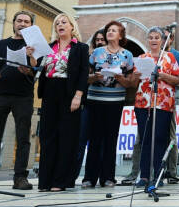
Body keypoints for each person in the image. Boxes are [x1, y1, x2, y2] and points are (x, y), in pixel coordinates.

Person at [0, 10, 38, 190]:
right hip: (0, 94)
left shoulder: (34, 46)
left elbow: (36, 69)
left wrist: (28, 63)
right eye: (19, 20)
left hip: (23, 96)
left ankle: (20, 178)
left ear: (31, 26)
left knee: (23, 138)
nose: (22, 24)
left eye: (26, 22)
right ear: (14, 23)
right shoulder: (1, 44)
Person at [37, 13, 89, 191]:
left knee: (67, 138)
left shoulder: (81, 48)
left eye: (64, 22)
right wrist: (31, 56)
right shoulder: (48, 47)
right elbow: (37, 68)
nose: (60, 25)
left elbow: (83, 73)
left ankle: (61, 181)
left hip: (69, 92)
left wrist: (78, 95)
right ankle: (45, 180)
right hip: (49, 91)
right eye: (57, 23)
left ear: (72, 26)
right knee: (47, 136)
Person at [83, 21, 135, 188]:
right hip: (95, 100)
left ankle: (108, 177)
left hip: (115, 101)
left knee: (111, 139)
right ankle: (89, 178)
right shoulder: (97, 52)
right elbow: (85, 77)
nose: (110, 33)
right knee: (95, 139)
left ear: (121, 36)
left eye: (114, 30)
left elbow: (130, 84)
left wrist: (120, 79)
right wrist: (95, 77)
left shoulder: (127, 55)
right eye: (108, 30)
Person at [131, 27, 179, 188]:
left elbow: (178, 80)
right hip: (143, 103)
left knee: (160, 139)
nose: (153, 40)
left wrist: (162, 75)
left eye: (156, 37)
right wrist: (136, 75)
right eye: (151, 37)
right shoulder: (142, 57)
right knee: (145, 139)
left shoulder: (169, 58)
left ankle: (159, 175)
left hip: (163, 103)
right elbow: (134, 82)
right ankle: (145, 176)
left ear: (162, 40)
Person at [73, 28, 106, 183]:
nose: (99, 42)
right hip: (88, 102)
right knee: (80, 140)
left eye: (102, 39)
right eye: (97, 39)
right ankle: (71, 176)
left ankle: (95, 177)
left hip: (104, 103)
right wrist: (93, 76)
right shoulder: (89, 56)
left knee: (98, 143)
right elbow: (81, 77)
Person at [164, 28, 179, 184]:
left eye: (165, 38)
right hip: (151, 101)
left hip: (170, 99)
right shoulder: (151, 54)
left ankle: (172, 171)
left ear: (171, 39)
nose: (162, 41)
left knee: (171, 136)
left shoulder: (177, 56)